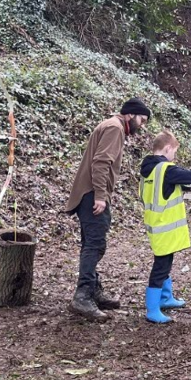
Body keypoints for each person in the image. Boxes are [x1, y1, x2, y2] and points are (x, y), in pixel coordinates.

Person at [64, 98, 152, 320]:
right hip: (92, 194)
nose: (142, 125)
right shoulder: (115, 128)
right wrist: (100, 196)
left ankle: (92, 290)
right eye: (142, 120)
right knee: (95, 244)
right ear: (130, 115)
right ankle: (82, 296)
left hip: (89, 193)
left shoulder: (112, 125)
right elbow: (101, 162)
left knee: (91, 243)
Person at [139, 130, 191, 324]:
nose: (174, 157)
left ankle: (166, 298)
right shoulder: (165, 169)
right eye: (174, 152)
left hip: (156, 226)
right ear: (167, 148)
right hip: (164, 228)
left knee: (165, 263)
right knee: (161, 267)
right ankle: (152, 309)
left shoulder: (148, 169)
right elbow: (190, 175)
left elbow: (167, 188)